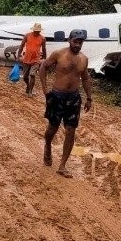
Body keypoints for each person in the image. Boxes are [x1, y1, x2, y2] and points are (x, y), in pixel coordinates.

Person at [39, 29, 92, 178]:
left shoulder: (83, 59)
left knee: (71, 130)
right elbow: (43, 66)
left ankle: (62, 165)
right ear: (69, 40)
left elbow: (86, 78)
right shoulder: (59, 54)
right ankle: (48, 145)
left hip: (74, 98)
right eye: (75, 41)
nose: (78, 45)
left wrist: (89, 98)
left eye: (80, 42)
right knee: (52, 129)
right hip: (57, 96)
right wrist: (44, 89)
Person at [16, 22, 47, 95]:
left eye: (38, 30)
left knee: (32, 74)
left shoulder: (42, 38)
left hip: (36, 60)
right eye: (35, 30)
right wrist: (18, 55)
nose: (37, 31)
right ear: (33, 30)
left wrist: (45, 58)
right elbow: (22, 45)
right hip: (26, 59)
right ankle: (28, 86)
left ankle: (30, 92)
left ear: (40, 31)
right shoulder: (27, 35)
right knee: (25, 77)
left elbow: (44, 49)